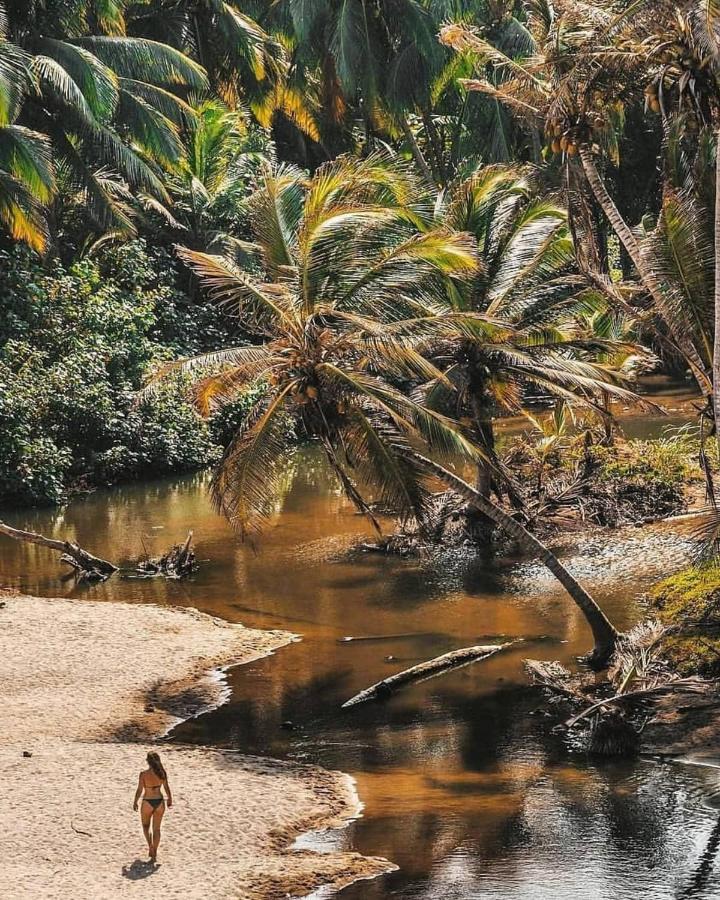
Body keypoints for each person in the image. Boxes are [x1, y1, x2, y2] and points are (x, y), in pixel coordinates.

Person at [133, 751, 173, 861]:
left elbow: (140, 790)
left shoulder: (143, 774)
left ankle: (150, 845)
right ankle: (155, 849)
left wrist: (135, 801)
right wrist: (170, 799)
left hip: (147, 801)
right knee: (157, 829)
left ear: (148, 761)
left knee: (145, 826)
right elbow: (166, 787)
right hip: (159, 801)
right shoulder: (162, 773)